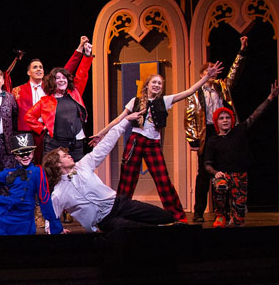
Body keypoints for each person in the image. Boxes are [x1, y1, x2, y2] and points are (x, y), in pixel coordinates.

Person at [89, 62, 223, 223]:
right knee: (127, 180)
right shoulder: (135, 101)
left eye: (160, 83)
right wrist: (101, 134)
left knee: (163, 180)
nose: (157, 85)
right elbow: (119, 119)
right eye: (154, 82)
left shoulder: (165, 101)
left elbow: (189, 91)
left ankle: (178, 216)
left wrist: (207, 76)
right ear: (147, 85)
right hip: (136, 141)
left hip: (153, 144)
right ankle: (119, 214)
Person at [42, 112, 177, 233]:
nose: (69, 156)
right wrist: (55, 230)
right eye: (64, 156)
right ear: (57, 164)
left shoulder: (83, 165)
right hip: (105, 220)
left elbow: (105, 145)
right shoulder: (59, 193)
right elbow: (51, 216)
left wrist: (126, 121)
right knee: (139, 231)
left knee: (164, 217)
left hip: (119, 204)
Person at [185, 35, 249, 222]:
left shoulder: (222, 87)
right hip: (206, 135)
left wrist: (242, 51)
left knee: (228, 170)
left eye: (214, 71)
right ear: (202, 75)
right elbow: (189, 118)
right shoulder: (195, 93)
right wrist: (193, 141)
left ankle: (228, 212)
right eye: (208, 71)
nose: (213, 74)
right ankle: (198, 212)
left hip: (224, 132)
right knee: (204, 174)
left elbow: (235, 72)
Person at [204, 81, 279, 227]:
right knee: (220, 185)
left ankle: (235, 218)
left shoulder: (239, 131)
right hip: (223, 176)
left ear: (232, 120)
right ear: (217, 122)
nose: (225, 120)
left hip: (240, 176)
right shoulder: (212, 141)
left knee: (238, 221)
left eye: (227, 118)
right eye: (221, 118)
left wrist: (270, 98)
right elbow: (207, 164)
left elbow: (255, 115)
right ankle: (221, 214)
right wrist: (216, 173)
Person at [12, 37, 90, 164]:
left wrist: (83, 52)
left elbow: (77, 72)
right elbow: (26, 115)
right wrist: (42, 128)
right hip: (43, 137)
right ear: (28, 72)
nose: (38, 69)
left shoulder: (69, 91)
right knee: (46, 170)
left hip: (73, 138)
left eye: (41, 67)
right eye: (35, 67)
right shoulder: (20, 91)